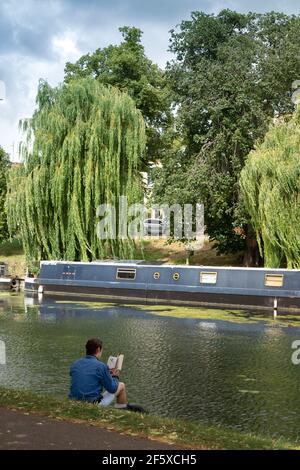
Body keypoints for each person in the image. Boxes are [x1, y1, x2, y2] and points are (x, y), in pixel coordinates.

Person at [69, 338, 144, 412]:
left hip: (73, 401)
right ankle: (122, 411)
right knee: (121, 385)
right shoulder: (100, 366)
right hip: (91, 404)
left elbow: (85, 377)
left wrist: (106, 375)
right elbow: (112, 389)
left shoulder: (76, 363)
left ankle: (122, 409)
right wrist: (115, 376)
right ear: (98, 349)